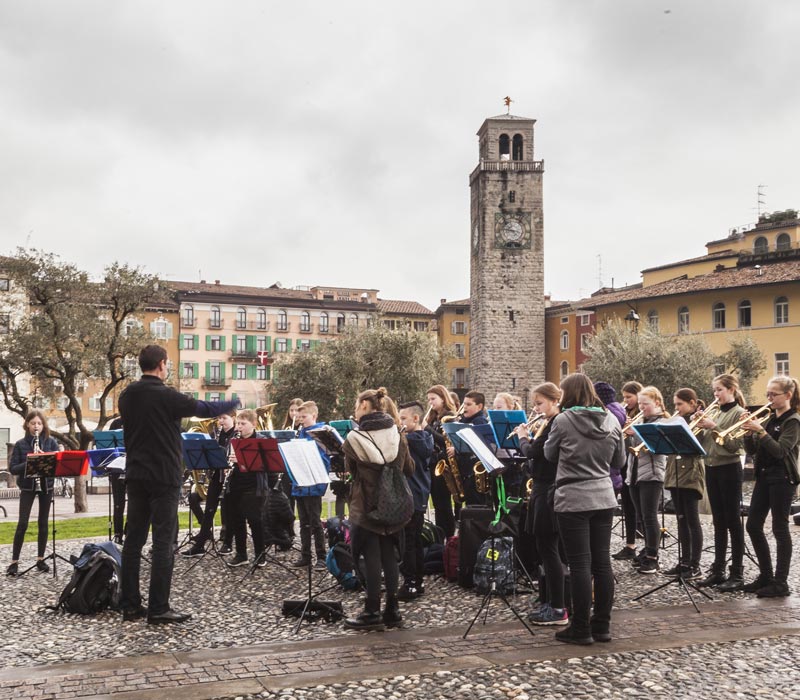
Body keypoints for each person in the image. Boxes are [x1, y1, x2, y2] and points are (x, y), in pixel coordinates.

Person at [118, 344, 238, 624]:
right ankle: (158, 608)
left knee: (133, 542)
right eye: (167, 363)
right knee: (162, 542)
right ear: (161, 364)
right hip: (163, 476)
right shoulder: (166, 395)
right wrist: (233, 403)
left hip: (136, 475)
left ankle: (129, 604)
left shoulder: (126, 395)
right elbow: (204, 408)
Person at [544, 373, 625, 645]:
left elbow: (549, 454)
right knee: (602, 562)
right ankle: (602, 625)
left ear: (567, 395)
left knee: (580, 563)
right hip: (603, 496)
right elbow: (620, 459)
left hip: (573, 496)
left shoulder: (563, 420)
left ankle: (580, 627)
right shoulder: (612, 420)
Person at [343, 387, 414, 631]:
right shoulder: (397, 432)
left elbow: (352, 474)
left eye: (356, 404)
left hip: (367, 505)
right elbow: (409, 469)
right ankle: (392, 610)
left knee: (371, 555)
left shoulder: (354, 439)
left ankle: (372, 610)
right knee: (389, 554)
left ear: (364, 405)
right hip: (395, 503)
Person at [514, 382, 566, 626]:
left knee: (550, 550)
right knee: (545, 551)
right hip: (542, 487)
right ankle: (548, 598)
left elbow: (535, 452)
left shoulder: (556, 422)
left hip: (548, 490)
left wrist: (524, 438)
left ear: (554, 401)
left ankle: (557, 606)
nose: (535, 409)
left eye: (539, 403)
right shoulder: (550, 422)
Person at [742, 376, 800, 597]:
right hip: (764, 477)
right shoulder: (769, 419)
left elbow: (780, 451)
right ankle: (765, 575)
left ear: (788, 395)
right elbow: (755, 449)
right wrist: (749, 434)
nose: (769, 398)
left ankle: (781, 582)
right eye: (767, 394)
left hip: (782, 479)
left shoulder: (793, 421)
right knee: (753, 525)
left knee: (780, 528)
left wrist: (761, 432)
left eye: (773, 394)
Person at [695, 373, 747, 591]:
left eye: (720, 390)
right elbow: (703, 443)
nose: (716, 394)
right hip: (712, 468)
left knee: (733, 521)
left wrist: (713, 426)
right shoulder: (714, 410)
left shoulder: (740, 413)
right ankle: (718, 570)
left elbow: (736, 446)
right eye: (714, 390)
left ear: (732, 390)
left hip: (730, 468)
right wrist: (697, 425)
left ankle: (737, 572)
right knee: (718, 521)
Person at [6, 410, 60, 576]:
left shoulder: (51, 442)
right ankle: (14, 562)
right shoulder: (21, 444)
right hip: (28, 486)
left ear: (43, 426)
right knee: (23, 523)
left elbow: (58, 463)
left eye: (39, 423)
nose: (36, 426)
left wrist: (47, 459)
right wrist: (30, 461)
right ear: (27, 425)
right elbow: (13, 468)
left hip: (46, 486)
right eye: (33, 423)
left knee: (43, 523)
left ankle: (40, 559)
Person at [624, 386, 668, 575]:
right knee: (641, 516)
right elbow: (630, 448)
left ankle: (653, 557)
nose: (641, 407)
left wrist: (637, 433)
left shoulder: (664, 421)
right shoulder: (641, 419)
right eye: (640, 403)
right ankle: (647, 550)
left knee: (650, 517)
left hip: (652, 473)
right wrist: (626, 435)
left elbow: (658, 448)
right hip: (634, 472)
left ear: (657, 403)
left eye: (645, 404)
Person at [663, 389, 706, 579]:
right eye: (675, 405)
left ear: (692, 403)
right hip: (675, 474)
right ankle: (684, 561)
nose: (677, 408)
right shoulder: (677, 421)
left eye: (680, 404)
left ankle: (695, 564)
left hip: (691, 474)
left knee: (692, 520)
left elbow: (701, 447)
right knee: (681, 519)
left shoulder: (698, 420)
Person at [181, 410, 236, 558]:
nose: (221, 421)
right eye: (219, 418)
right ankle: (200, 544)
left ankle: (228, 543)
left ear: (233, 417)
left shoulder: (236, 435)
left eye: (224, 418)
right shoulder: (216, 435)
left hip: (231, 479)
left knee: (229, 511)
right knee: (209, 511)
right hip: (216, 476)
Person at [397, 401, 433, 601]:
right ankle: (417, 582)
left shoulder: (409, 440)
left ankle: (410, 582)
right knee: (416, 541)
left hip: (410, 493)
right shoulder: (426, 437)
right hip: (420, 494)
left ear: (416, 418)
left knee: (408, 542)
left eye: (403, 418)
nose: (400, 422)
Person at [226, 409, 270, 567]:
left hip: (254, 486)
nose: (239, 427)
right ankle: (241, 554)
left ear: (254, 424)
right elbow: (230, 461)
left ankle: (260, 555)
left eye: (243, 424)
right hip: (236, 484)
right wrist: (227, 465)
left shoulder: (262, 441)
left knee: (255, 521)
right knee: (237, 520)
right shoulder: (234, 440)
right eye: (238, 423)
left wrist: (242, 459)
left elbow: (266, 465)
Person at [292, 401, 330, 568]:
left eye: (304, 417)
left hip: (314, 483)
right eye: (299, 417)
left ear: (314, 416)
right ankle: (305, 555)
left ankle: (321, 556)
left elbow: (324, 458)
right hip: (300, 483)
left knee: (315, 522)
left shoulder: (320, 433)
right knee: (304, 522)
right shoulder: (300, 433)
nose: (301, 420)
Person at [612, 380, 643, 562]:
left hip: (637, 465)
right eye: (624, 397)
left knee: (636, 506)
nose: (626, 400)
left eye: (629, 397)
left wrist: (633, 432)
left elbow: (638, 443)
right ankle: (630, 545)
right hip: (622, 464)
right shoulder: (624, 413)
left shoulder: (642, 414)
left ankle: (641, 546)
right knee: (627, 507)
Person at [424, 384, 459, 537]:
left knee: (444, 505)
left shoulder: (450, 416)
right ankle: (440, 536)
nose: (430, 402)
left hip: (444, 463)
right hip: (432, 463)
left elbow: (445, 441)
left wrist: (427, 428)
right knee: (437, 505)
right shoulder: (432, 417)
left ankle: (449, 536)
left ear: (443, 399)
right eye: (429, 399)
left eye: (433, 398)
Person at [446, 390, 489, 505]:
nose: (464, 407)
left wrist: (457, 449)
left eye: (469, 404)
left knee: (476, 504)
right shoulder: (465, 420)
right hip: (466, 469)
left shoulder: (479, 421)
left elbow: (479, 444)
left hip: (474, 472)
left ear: (479, 407)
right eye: (464, 404)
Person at [108, 417, 127, 544]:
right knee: (118, 505)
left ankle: (129, 532)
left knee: (136, 505)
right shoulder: (116, 423)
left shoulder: (140, 419)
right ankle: (118, 535)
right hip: (117, 470)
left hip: (135, 469)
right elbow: (109, 448)